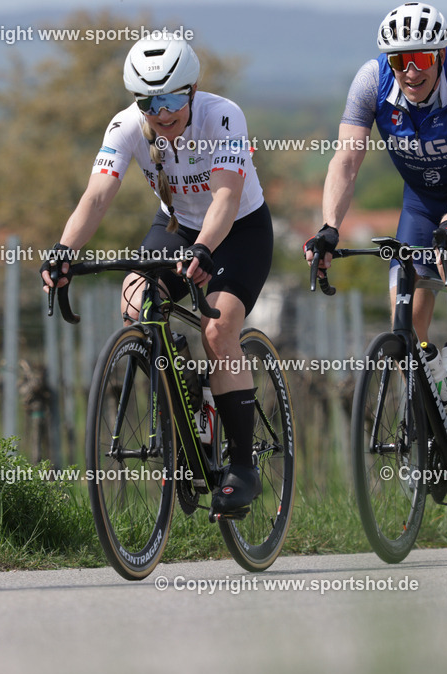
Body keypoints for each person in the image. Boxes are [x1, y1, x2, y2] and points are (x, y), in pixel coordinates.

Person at [40, 36, 273, 514]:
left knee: (219, 327)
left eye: (170, 99)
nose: (162, 113)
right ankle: (185, 396)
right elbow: (97, 197)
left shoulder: (222, 115)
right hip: (177, 226)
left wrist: (206, 249)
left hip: (238, 229)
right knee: (133, 304)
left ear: (191, 91)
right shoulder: (126, 126)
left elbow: (226, 198)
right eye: (150, 102)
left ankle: (243, 467)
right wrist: (63, 252)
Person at [306, 2, 447, 446]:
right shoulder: (371, 81)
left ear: (440, 54)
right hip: (422, 202)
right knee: (406, 308)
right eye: (399, 60)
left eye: (420, 59)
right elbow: (345, 161)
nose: (409, 71)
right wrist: (329, 227)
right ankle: (433, 400)